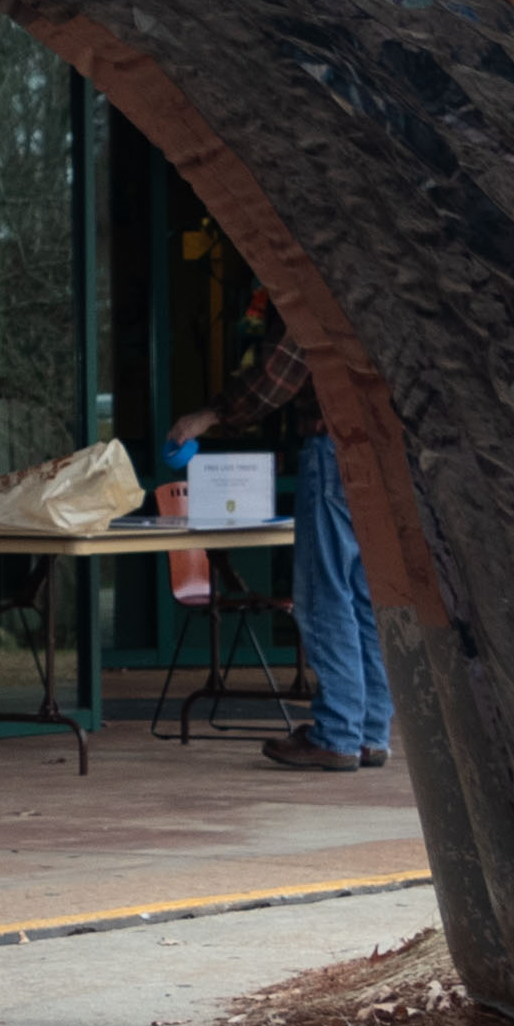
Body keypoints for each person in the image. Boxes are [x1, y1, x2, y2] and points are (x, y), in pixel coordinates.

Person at [177, 293, 384, 772]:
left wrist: (213, 413)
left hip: (334, 446)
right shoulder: (366, 277)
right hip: (378, 448)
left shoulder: (307, 279)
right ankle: (369, 732)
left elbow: (279, 373)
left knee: (324, 592)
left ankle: (337, 734)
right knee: (362, 593)